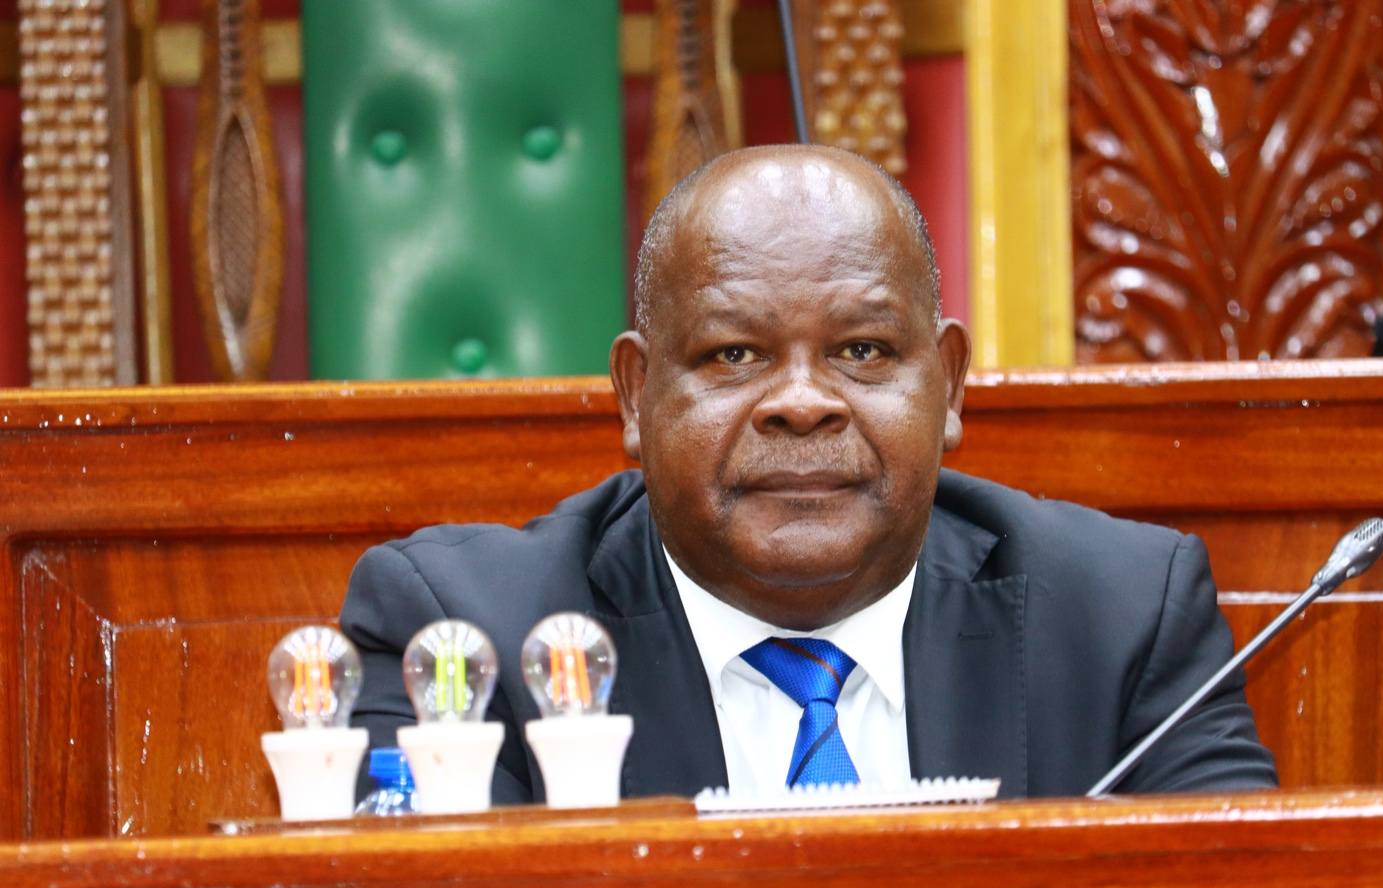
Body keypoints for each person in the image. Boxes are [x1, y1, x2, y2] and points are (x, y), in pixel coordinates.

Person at [340, 145, 1277, 802]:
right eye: (735, 356)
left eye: (864, 351)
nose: (802, 402)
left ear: (948, 385)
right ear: (635, 394)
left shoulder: (1122, 617)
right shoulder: (465, 636)